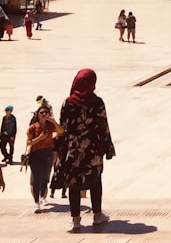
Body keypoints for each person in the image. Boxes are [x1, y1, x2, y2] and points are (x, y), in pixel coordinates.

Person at [57, 69, 116, 231]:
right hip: (92, 149)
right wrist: (107, 147)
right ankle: (97, 214)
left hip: (74, 149)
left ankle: (75, 219)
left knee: (73, 183)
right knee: (95, 181)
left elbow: (63, 127)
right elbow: (103, 126)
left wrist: (61, 149)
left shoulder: (68, 103)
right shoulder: (97, 103)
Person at [26, 103, 61, 211]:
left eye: (46, 112)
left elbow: (61, 131)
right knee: (36, 177)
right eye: (42, 113)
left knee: (45, 177)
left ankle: (43, 197)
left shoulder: (50, 126)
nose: (44, 114)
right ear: (38, 114)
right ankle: (37, 202)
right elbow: (28, 143)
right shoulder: (32, 128)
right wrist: (40, 138)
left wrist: (53, 121)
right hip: (35, 153)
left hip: (47, 153)